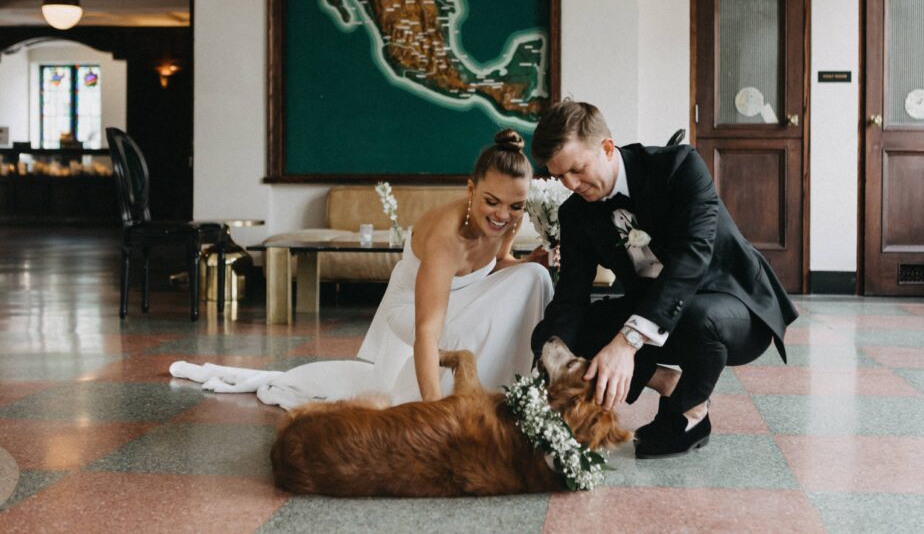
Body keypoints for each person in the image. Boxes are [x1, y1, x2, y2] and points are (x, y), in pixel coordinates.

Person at [171, 130, 552, 408]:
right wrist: (433, 412)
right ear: (471, 189)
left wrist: (526, 263)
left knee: (535, 278)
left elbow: (500, 263)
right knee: (455, 332)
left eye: (515, 206)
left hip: (460, 298)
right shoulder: (444, 236)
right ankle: (451, 402)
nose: (503, 215)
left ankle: (513, 392)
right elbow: (426, 331)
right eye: (492, 201)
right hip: (410, 312)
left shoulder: (510, 218)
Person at [529, 99, 798, 459]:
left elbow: (692, 259)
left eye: (577, 169)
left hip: (733, 305)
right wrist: (547, 363)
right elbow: (571, 296)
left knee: (698, 316)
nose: (571, 184)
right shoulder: (575, 214)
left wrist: (627, 342)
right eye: (560, 176)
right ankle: (667, 381)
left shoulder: (679, 166)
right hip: (657, 313)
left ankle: (690, 411)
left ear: (607, 147)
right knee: (560, 335)